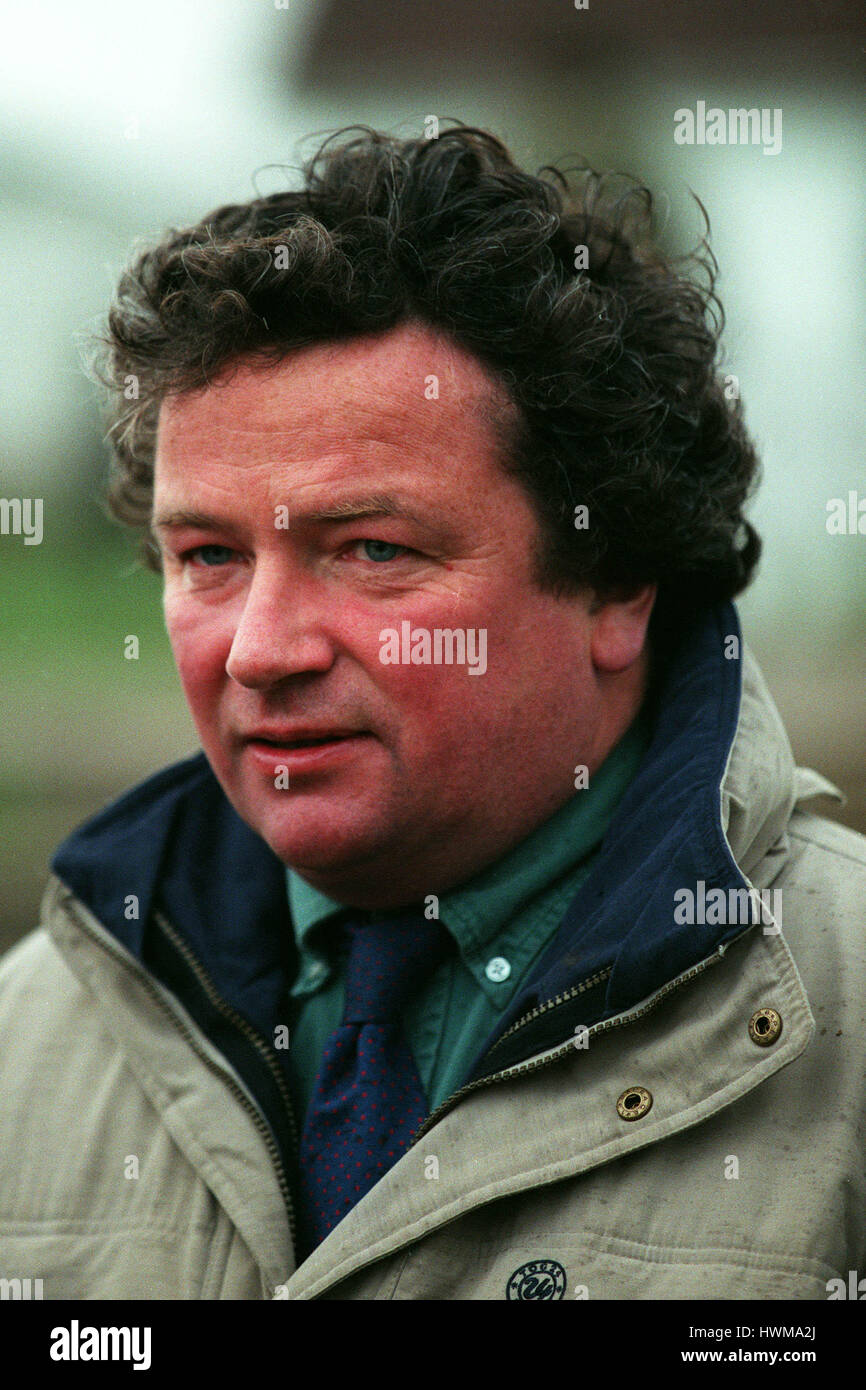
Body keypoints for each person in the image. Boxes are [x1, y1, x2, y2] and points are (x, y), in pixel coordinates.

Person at [1, 124, 863, 1301]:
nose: (258, 651)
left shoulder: (843, 1015)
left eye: (370, 548)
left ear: (615, 581)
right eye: (207, 555)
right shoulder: (30, 1039)